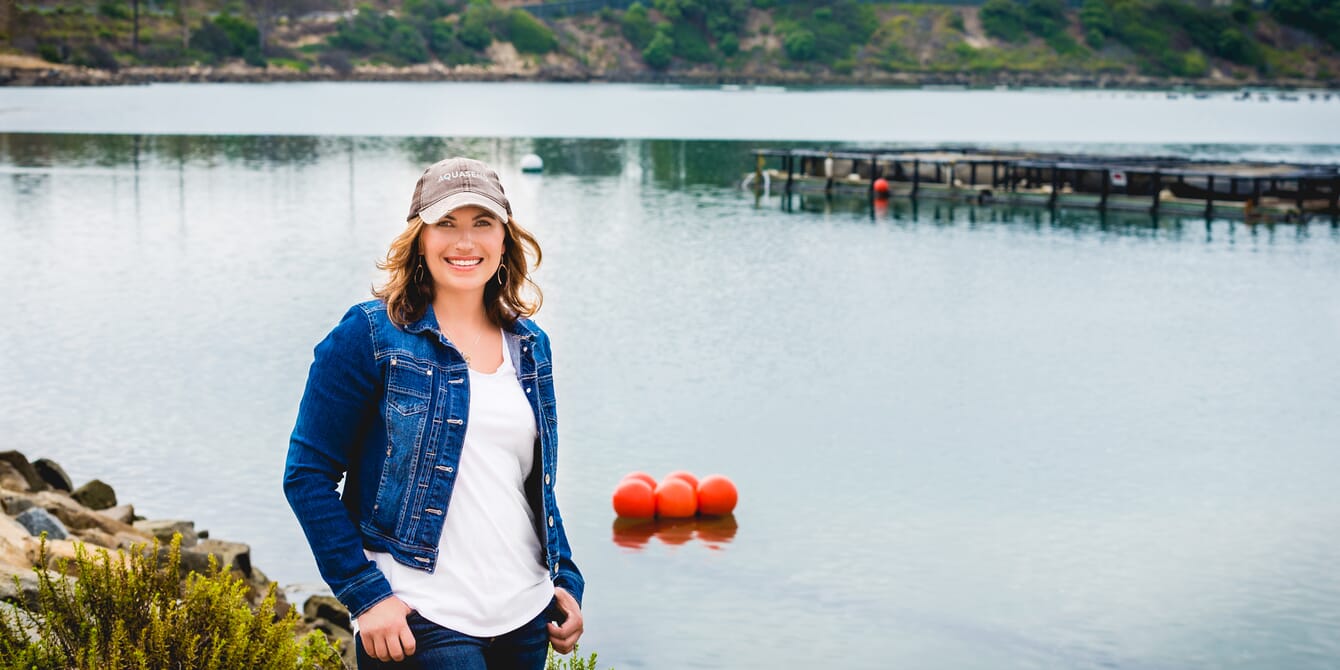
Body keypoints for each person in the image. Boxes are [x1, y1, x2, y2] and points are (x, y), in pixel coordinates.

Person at [284, 157, 584, 669]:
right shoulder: (369, 335)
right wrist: (366, 596)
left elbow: (531, 482)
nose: (464, 242)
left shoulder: (530, 346)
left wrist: (566, 578)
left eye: (482, 223)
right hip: (420, 618)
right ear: (420, 238)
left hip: (525, 615)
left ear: (505, 239)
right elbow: (307, 477)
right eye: (446, 223)